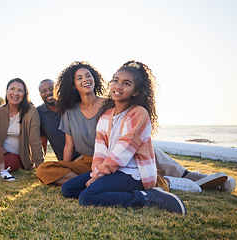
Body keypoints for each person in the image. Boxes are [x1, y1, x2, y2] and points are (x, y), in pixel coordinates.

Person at [37, 79, 236, 193]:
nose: (84, 81)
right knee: (45, 170)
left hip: (122, 152)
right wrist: (65, 166)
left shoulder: (110, 103)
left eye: (86, 76)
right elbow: (68, 145)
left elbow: (131, 134)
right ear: (72, 84)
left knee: (146, 150)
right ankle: (160, 180)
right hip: (92, 161)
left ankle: (190, 176)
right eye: (79, 78)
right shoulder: (69, 111)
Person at [61, 60, 186, 214]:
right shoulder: (105, 116)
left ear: (136, 91)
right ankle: (110, 191)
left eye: (126, 83)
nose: (118, 86)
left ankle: (147, 197)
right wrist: (95, 173)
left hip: (133, 174)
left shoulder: (139, 114)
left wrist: (97, 176)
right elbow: (100, 152)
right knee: (68, 189)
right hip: (113, 171)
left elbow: (123, 150)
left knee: (86, 198)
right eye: (115, 81)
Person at [0, 78, 44, 172]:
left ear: (25, 94)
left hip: (18, 156)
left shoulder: (31, 112)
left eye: (20, 90)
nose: (16, 93)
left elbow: (35, 141)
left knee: (8, 163)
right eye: (12, 89)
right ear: (7, 92)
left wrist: (41, 166)